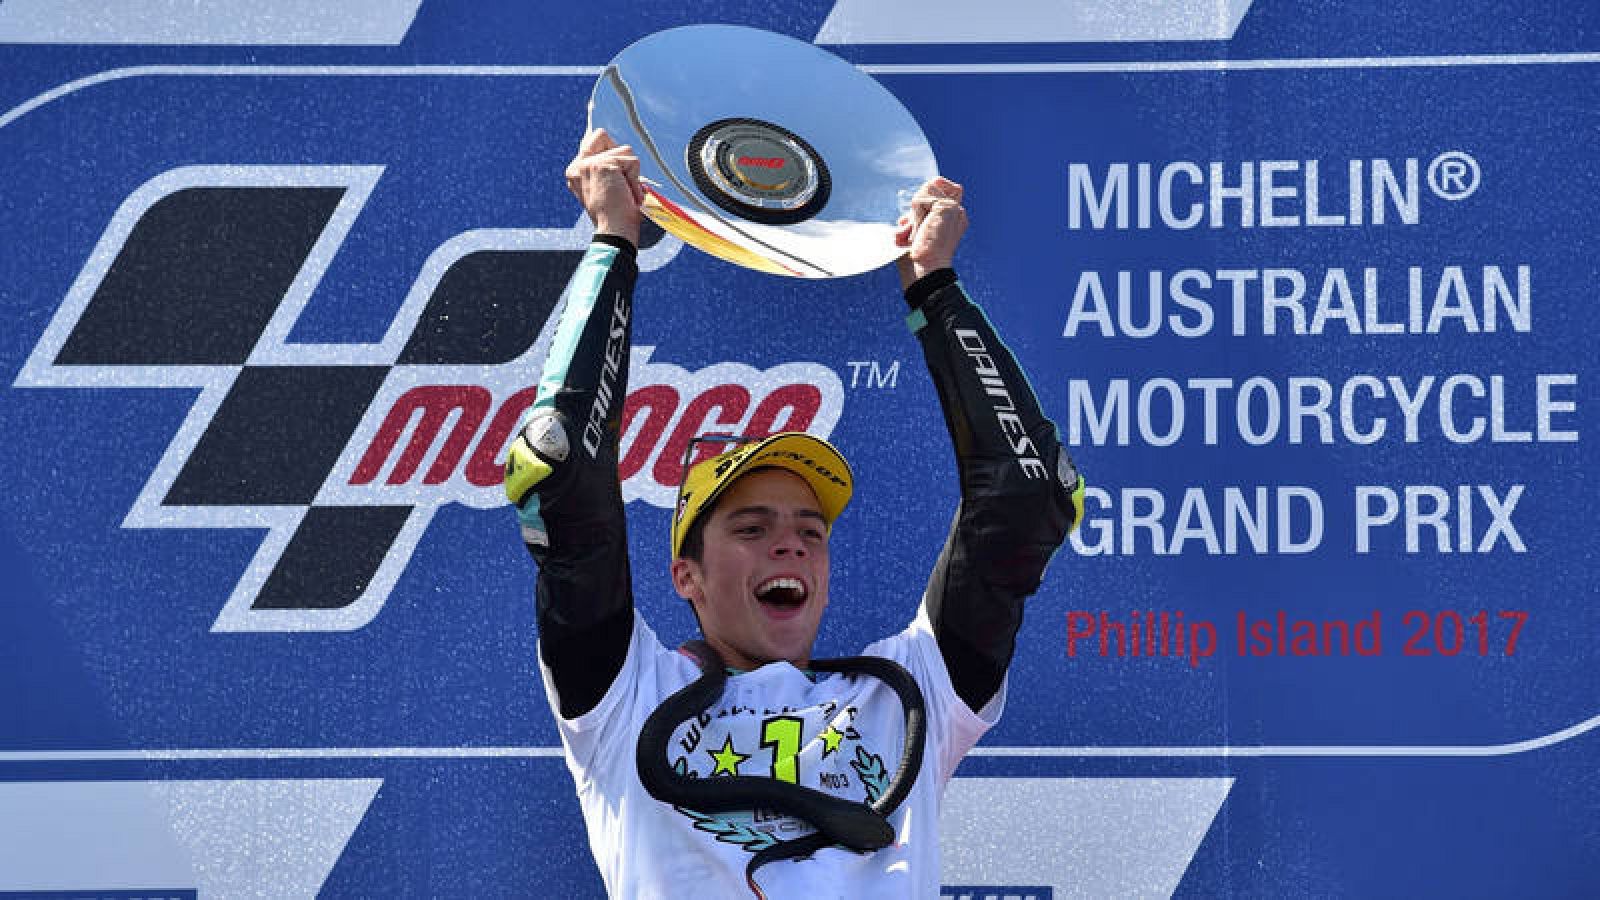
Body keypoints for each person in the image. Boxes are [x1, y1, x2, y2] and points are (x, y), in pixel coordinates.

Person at [503, 128, 1084, 899]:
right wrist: (614, 241)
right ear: (687, 575)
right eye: (751, 528)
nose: (790, 547)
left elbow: (1028, 488)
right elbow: (559, 464)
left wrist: (934, 287)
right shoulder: (627, 697)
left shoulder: (905, 698)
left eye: (810, 532)